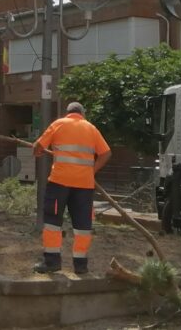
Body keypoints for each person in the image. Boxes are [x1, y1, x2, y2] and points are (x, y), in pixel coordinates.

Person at [32, 101, 111, 276]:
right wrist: (92, 170)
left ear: (68, 113)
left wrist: (37, 151)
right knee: (83, 225)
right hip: (84, 185)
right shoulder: (91, 128)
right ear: (82, 114)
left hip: (59, 183)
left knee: (53, 222)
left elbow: (39, 146)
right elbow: (106, 153)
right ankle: (80, 266)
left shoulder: (58, 124)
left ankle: (52, 262)